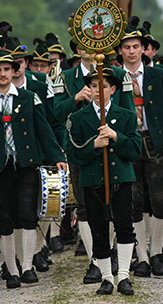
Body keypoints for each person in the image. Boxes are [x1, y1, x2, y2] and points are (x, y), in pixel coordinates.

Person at [0, 51, 67, 289]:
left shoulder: (28, 97)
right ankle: (11, 270)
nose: (3, 74)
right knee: (5, 218)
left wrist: (56, 157)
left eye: (7, 70)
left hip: (26, 165)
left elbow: (43, 129)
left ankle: (27, 266)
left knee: (27, 216)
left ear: (14, 71)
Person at [118, 17, 163, 278]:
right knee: (134, 200)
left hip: (155, 141)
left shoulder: (162, 75)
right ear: (120, 51)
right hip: (127, 143)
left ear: (143, 49)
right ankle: (141, 257)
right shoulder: (114, 78)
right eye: (126, 47)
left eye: (135, 46)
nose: (131, 51)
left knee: (160, 199)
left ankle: (157, 250)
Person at [53, 42, 134, 284]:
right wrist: (75, 99)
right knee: (88, 209)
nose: (90, 49)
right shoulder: (66, 77)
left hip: (115, 158)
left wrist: (117, 135)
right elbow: (56, 113)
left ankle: (115, 263)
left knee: (119, 214)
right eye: (84, 45)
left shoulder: (120, 75)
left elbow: (128, 115)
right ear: (77, 49)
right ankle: (95, 262)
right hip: (83, 152)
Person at [66, 66, 141, 296]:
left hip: (121, 180)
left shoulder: (126, 115)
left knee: (124, 227)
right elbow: (73, 152)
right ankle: (107, 277)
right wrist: (94, 146)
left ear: (113, 89)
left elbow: (135, 150)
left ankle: (124, 276)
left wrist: (116, 137)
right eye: (94, 86)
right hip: (93, 181)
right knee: (99, 229)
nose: (99, 91)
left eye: (104, 86)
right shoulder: (78, 118)